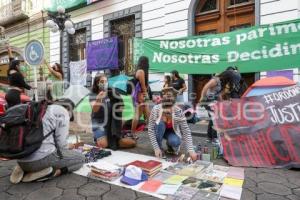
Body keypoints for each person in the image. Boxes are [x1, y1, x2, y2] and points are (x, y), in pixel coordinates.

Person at [10, 104, 85, 183]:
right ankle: (53, 172)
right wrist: (70, 146)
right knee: (81, 158)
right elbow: (62, 145)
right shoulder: (63, 112)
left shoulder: (38, 110)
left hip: (20, 158)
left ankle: (22, 168)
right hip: (39, 161)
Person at [148, 87, 197, 161]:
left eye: (169, 113)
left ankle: (169, 145)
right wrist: (156, 148)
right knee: (160, 124)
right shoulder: (155, 109)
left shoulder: (179, 111)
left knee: (175, 142)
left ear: (173, 108)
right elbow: (151, 129)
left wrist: (191, 150)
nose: (167, 116)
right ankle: (160, 148)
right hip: (158, 130)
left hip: (171, 132)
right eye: (165, 113)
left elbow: (186, 131)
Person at [90, 73, 136, 149]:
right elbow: (95, 110)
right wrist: (99, 99)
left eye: (106, 81)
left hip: (110, 123)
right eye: (102, 81)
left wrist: (120, 118)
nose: (104, 83)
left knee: (131, 143)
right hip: (98, 123)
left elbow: (120, 105)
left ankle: (113, 139)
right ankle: (100, 138)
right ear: (97, 83)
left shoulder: (111, 92)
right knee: (104, 144)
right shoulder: (93, 94)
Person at [199, 70, 235, 141]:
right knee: (215, 119)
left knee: (213, 119)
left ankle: (209, 137)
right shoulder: (216, 80)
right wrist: (202, 97)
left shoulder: (221, 82)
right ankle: (214, 138)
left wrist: (221, 102)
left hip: (214, 101)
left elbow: (218, 94)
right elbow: (205, 87)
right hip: (208, 100)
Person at [130, 56, 151, 138]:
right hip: (140, 95)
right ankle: (132, 133)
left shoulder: (140, 71)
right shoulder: (141, 71)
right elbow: (143, 86)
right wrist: (146, 96)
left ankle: (151, 129)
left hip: (140, 95)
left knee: (142, 114)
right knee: (138, 114)